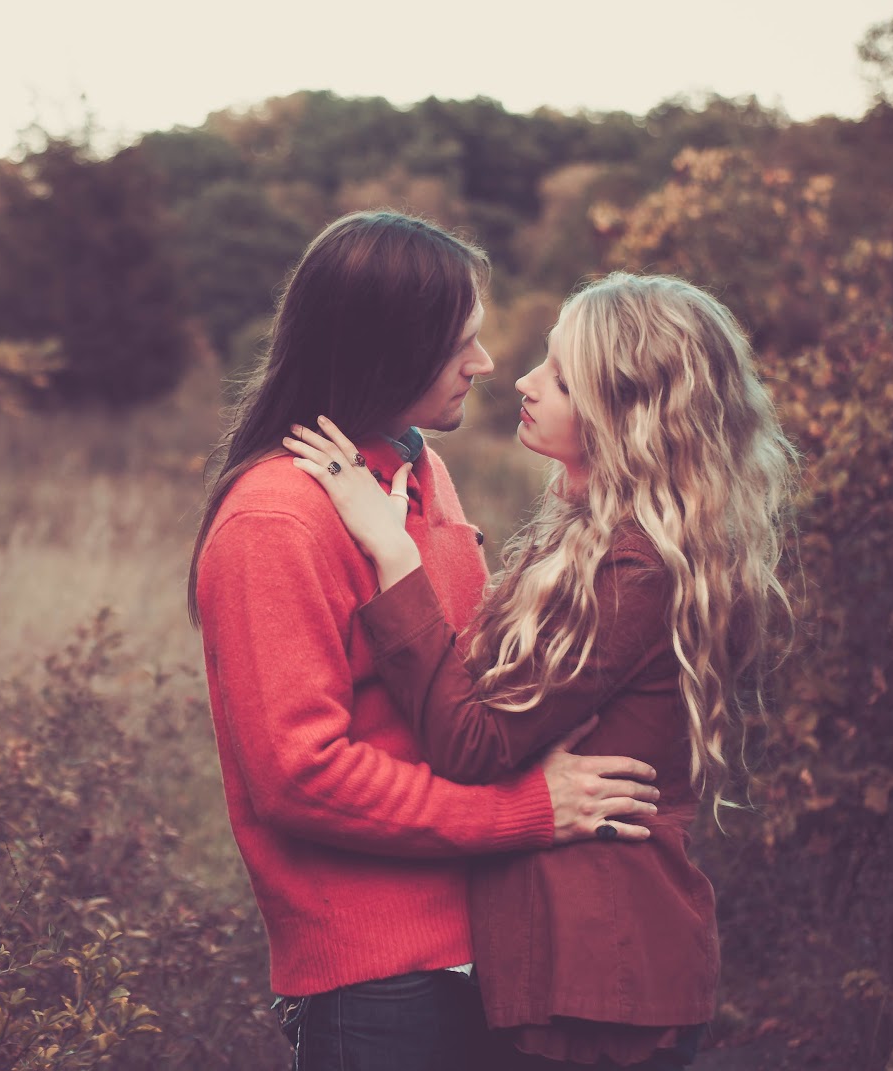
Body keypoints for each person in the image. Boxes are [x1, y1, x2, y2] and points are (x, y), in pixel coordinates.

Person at [189, 212, 663, 1071]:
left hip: (495, 948)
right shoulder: (274, 519)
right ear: (387, 351)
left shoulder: (420, 471)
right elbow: (300, 775)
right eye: (459, 345)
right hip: (379, 982)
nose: (485, 364)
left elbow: (465, 682)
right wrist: (527, 811)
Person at [284, 271, 795, 1068]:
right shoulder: (597, 538)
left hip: (594, 980)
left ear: (625, 412)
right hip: (573, 960)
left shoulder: (635, 569)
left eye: (559, 376)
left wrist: (394, 554)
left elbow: (471, 742)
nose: (522, 380)